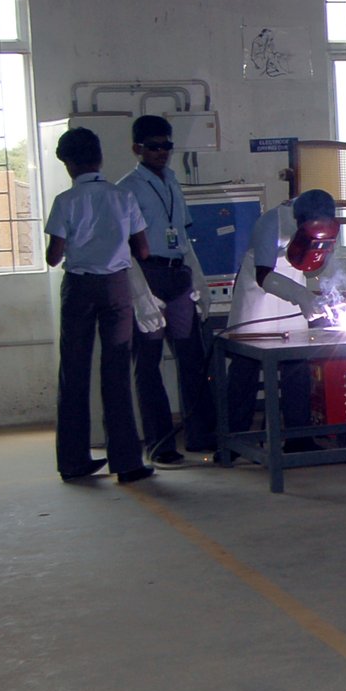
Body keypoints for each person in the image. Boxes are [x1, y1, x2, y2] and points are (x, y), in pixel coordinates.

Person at [44, 127, 160, 484]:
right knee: (117, 373)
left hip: (79, 288)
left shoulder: (65, 200)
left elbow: (53, 257)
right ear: (99, 158)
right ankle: (126, 462)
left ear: (69, 163)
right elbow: (143, 250)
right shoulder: (123, 197)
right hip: (116, 288)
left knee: (74, 372)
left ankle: (73, 461)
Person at [118, 115, 217, 465]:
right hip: (148, 275)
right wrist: (140, 295)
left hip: (178, 276)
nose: (161, 152)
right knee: (149, 364)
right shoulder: (127, 188)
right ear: (137, 148)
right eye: (153, 147)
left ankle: (202, 435)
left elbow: (183, 238)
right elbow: (125, 249)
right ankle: (160, 444)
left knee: (192, 357)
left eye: (166, 146)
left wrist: (200, 281)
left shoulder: (173, 182)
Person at [224, 189, 338, 452]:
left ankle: (299, 438)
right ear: (299, 221)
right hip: (257, 298)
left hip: (292, 296)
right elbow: (263, 275)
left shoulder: (328, 225)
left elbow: (318, 267)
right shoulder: (271, 222)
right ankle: (233, 440)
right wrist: (302, 297)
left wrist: (328, 294)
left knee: (296, 366)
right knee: (245, 367)